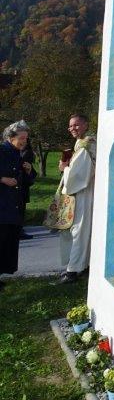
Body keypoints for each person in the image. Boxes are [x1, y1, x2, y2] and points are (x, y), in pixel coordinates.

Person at [58, 114, 97, 283]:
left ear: (86, 124)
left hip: (82, 193)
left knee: (79, 231)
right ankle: (83, 266)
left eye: (76, 125)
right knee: (84, 230)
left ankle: (72, 271)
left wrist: (64, 168)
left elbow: (77, 177)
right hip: (85, 192)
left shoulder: (85, 145)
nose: (72, 128)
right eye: (70, 126)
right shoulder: (84, 142)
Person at [0, 123, 36, 290]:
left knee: (7, 243)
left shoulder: (18, 154)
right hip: (2, 206)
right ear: (10, 137)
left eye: (26, 139)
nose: (24, 141)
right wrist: (2, 179)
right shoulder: (2, 151)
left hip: (13, 206)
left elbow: (27, 181)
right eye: (21, 138)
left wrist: (29, 171)